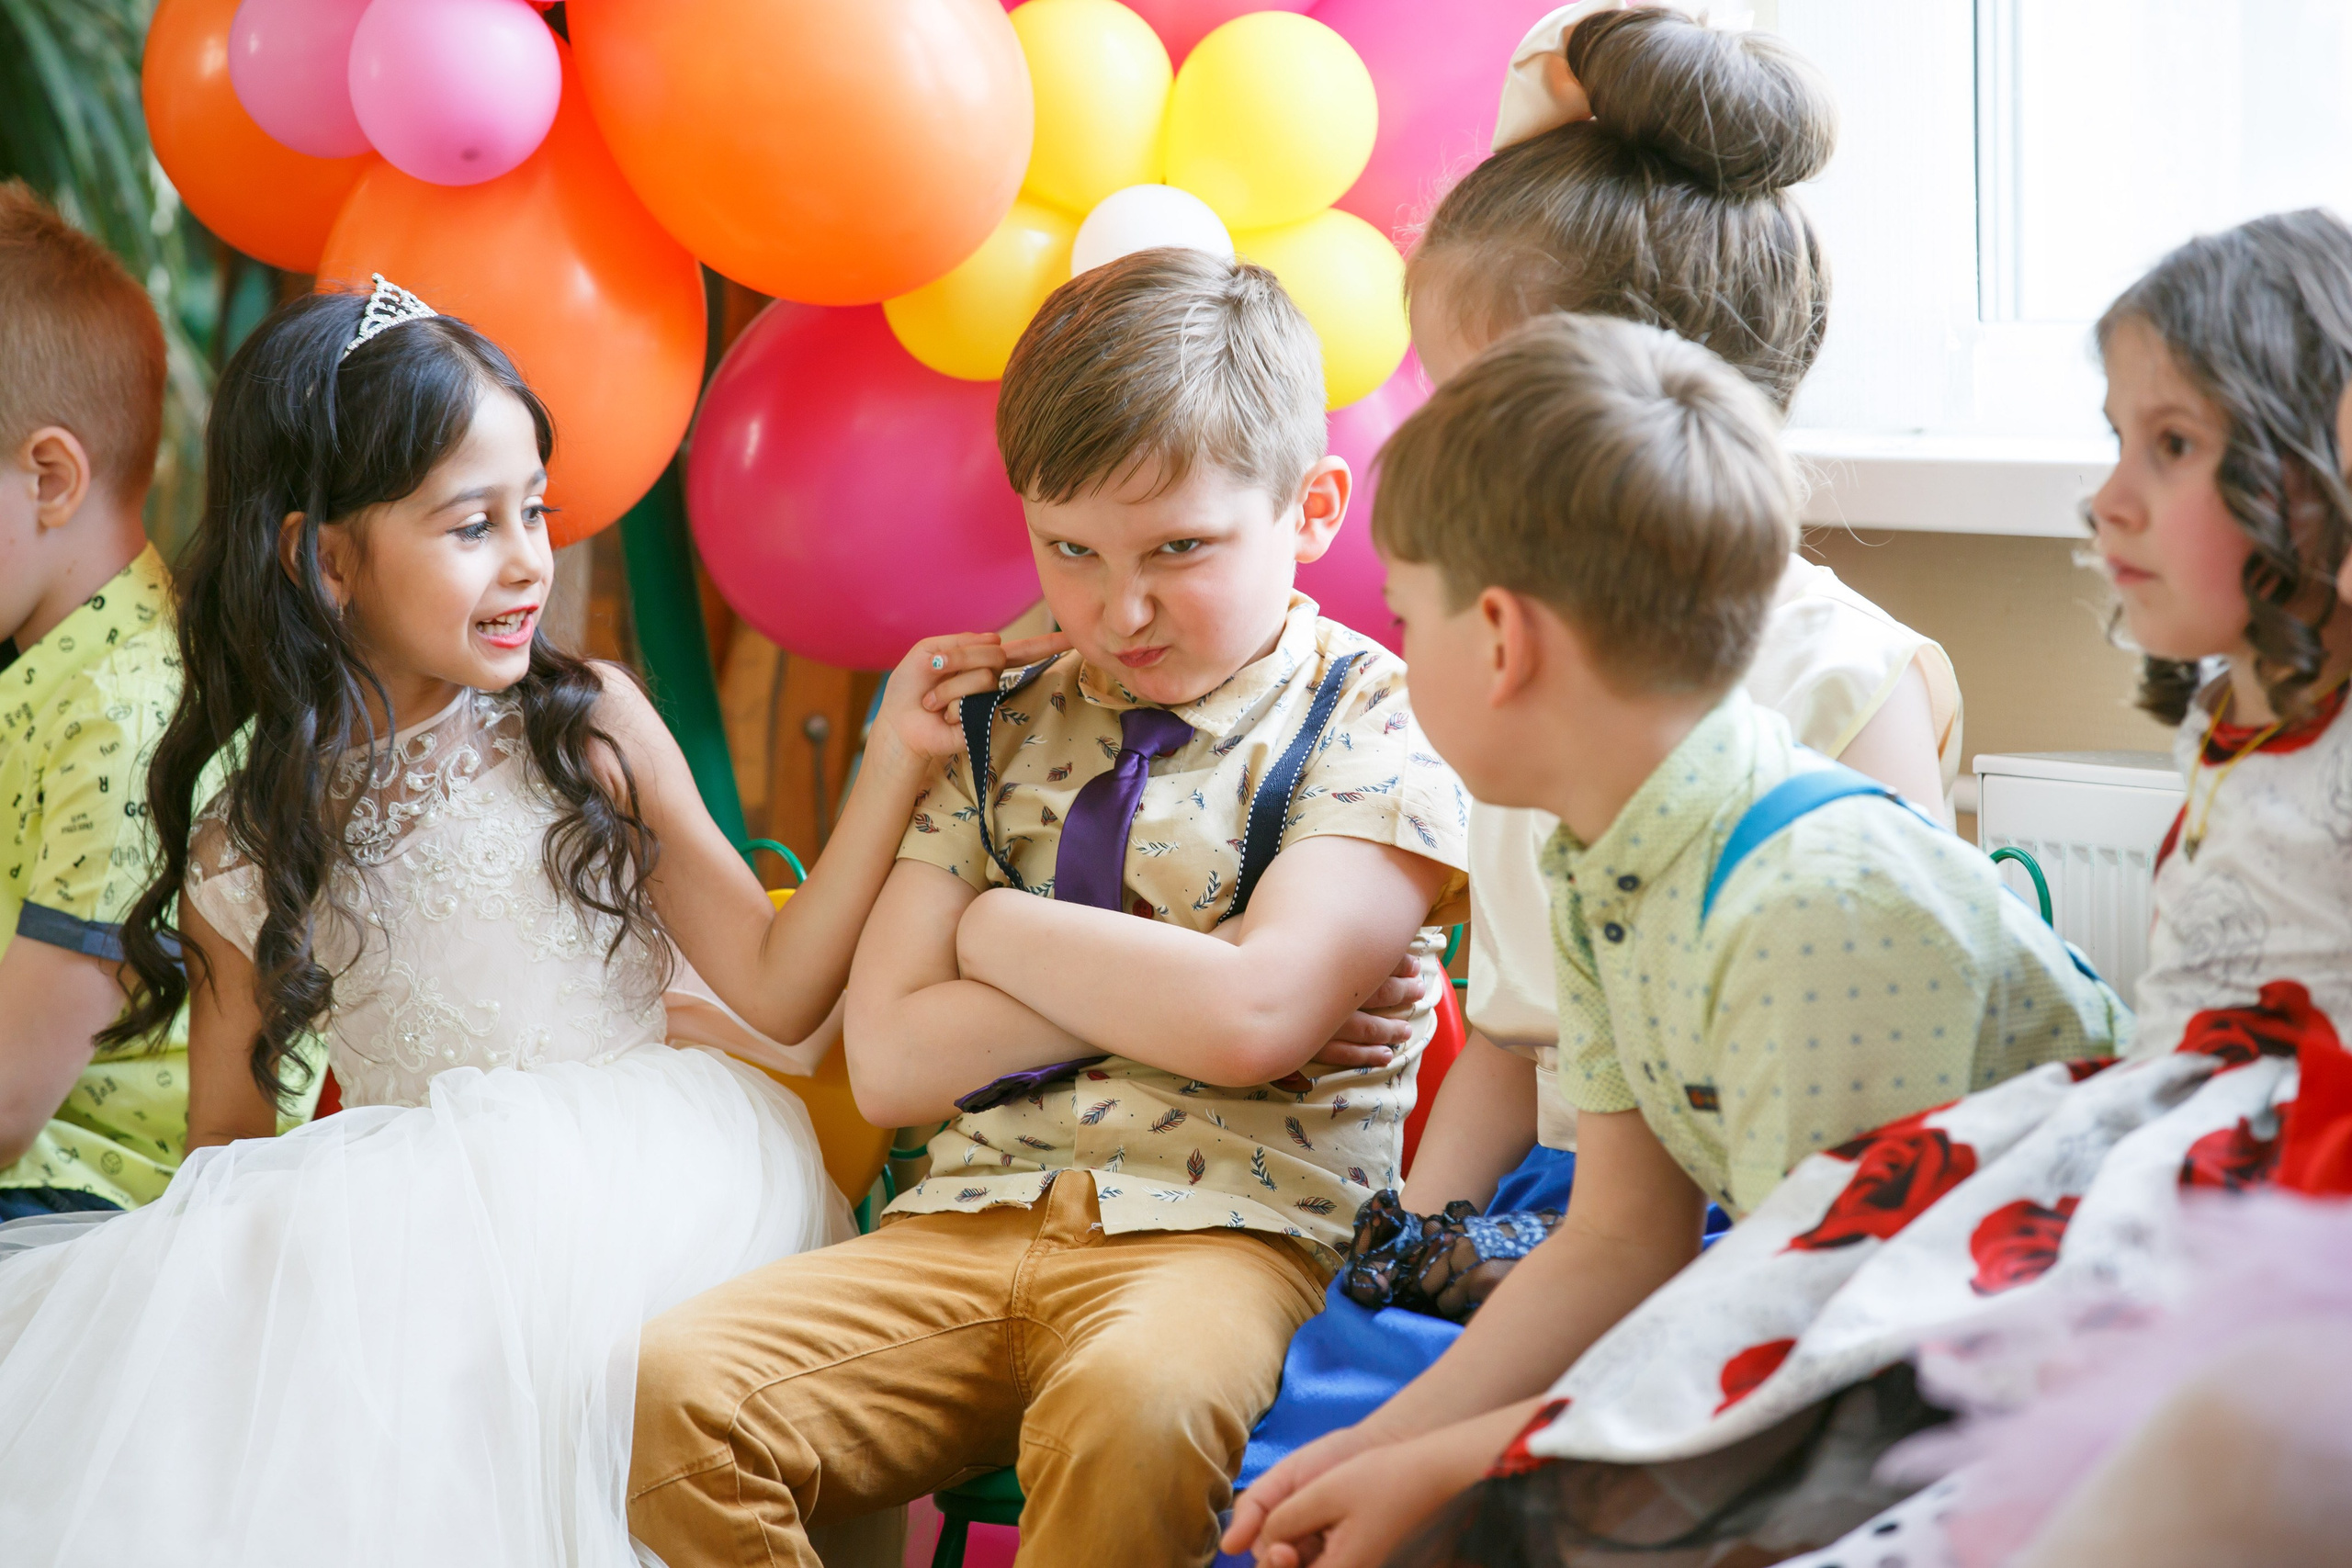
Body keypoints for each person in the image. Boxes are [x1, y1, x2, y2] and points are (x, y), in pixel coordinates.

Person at [0, 279, 1048, 1565]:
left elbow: (777, 988)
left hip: (664, 1184)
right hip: (413, 1228)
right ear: (323, 556)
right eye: (469, 525)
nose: (526, 561)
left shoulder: (586, 727)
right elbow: (226, 1144)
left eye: (534, 511)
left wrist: (890, 755)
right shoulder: (250, 833)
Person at [1223, 313, 2125, 1568]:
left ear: (1500, 639)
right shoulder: (1603, 854)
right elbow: (1621, 1238)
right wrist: (1384, 1442)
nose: (1396, 648)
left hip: (2000, 1380)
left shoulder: (1809, 907)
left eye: (1405, 615)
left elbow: (1816, 1335)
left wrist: (1448, 1465)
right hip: (1823, 1337)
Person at [626, 248, 1473, 1568]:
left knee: (1134, 1402)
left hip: (1234, 1241)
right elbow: (898, 1060)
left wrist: (993, 932)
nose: (1116, 607)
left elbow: (1253, 1022)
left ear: (1311, 509)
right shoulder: (1002, 719)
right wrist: (1196, 977)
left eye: (1178, 550)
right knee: (677, 1385)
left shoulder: (1375, 716)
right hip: (964, 1223)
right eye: (1068, 547)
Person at [1770, 206, 2352, 1568]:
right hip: (2159, 1144)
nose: (2111, 498)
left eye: (2176, 443)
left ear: (2309, 469)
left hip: (2285, 1203)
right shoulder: (2243, 701)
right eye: (2114, 437)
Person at [1395, 2, 1962, 1225]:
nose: (1446, 452)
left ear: (1665, 411)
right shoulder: (1515, 676)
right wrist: (1379, 1262)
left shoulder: (1845, 682)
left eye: (1488, 406)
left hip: (1764, 1209)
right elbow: (1506, 1045)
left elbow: (1868, 1133)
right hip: (1557, 1198)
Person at [0, 181, 254, 1222]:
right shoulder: (56, 669)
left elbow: (12, 1102)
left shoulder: (129, 714)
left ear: (51, 477)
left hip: (74, 1204)